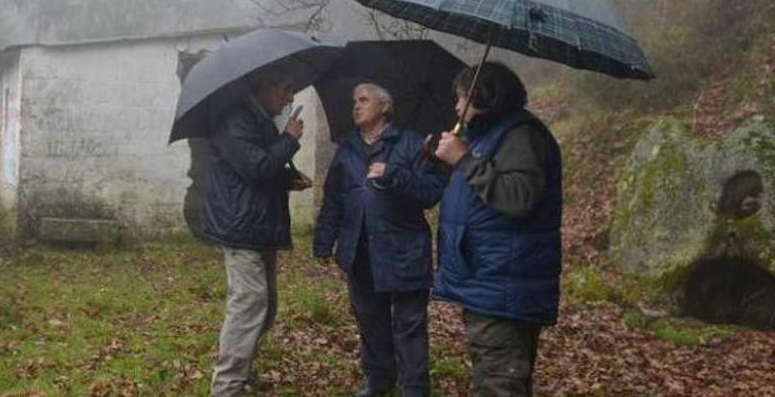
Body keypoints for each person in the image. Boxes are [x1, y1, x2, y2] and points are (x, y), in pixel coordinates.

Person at [431, 62, 563, 397]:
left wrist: (465, 160)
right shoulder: (489, 136)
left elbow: (520, 198)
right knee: (493, 377)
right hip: (488, 280)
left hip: (504, 285)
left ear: (484, 96)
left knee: (499, 384)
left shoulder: (521, 135)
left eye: (462, 98)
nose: (457, 106)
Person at [313, 83, 445, 397]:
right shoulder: (347, 147)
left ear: (384, 106)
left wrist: (395, 175)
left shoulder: (412, 143)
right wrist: (323, 239)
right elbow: (334, 198)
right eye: (353, 101)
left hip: (404, 249)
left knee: (409, 324)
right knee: (370, 321)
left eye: (363, 100)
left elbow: (431, 193)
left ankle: (414, 388)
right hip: (361, 250)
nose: (355, 106)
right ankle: (378, 380)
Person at [204, 69, 312, 396]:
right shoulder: (234, 121)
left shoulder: (260, 120)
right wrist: (290, 138)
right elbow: (256, 167)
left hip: (259, 225)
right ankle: (226, 386)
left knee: (267, 305)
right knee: (250, 303)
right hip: (241, 227)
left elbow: (264, 171)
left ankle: (242, 370)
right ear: (263, 87)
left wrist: (287, 181)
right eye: (285, 87)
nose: (290, 97)